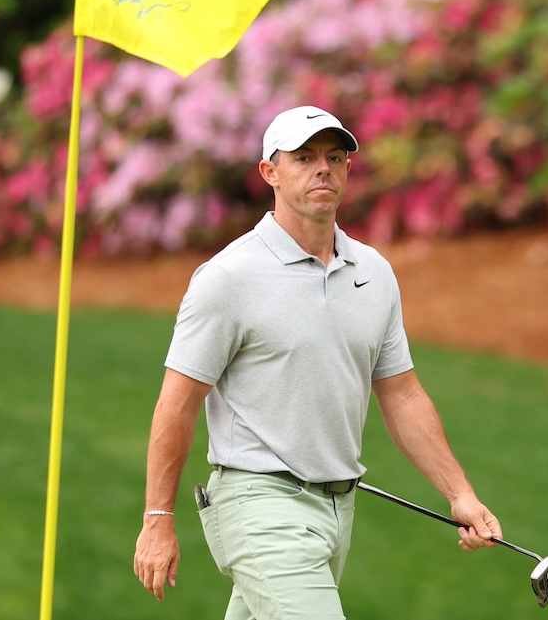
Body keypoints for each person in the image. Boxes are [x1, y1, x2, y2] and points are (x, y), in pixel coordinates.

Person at [132, 106, 502, 618]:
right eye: (303, 158)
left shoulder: (373, 272)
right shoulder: (228, 278)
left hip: (337, 510)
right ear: (270, 172)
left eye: (334, 157)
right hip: (257, 505)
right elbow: (177, 404)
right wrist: (157, 519)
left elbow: (402, 394)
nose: (322, 168)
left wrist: (460, 493)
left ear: (349, 168)